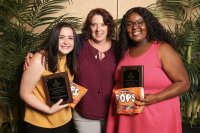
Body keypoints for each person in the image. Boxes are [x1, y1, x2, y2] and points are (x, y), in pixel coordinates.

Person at [23, 8, 116, 133]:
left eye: (103, 24)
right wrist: (32, 54)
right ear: (89, 27)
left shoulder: (119, 48)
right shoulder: (80, 42)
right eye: (94, 24)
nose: (98, 29)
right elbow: (56, 45)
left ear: (109, 26)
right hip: (82, 114)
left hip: (109, 112)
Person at [106, 7, 190, 133]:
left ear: (148, 24)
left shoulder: (162, 49)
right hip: (127, 117)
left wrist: (156, 97)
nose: (135, 27)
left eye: (140, 22)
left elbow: (184, 83)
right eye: (129, 25)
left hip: (156, 119)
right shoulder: (124, 52)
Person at [20, 22, 77, 133]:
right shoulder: (39, 59)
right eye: (61, 37)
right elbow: (24, 93)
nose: (66, 41)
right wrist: (48, 110)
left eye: (70, 38)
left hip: (64, 120)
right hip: (40, 122)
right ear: (54, 38)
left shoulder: (70, 57)